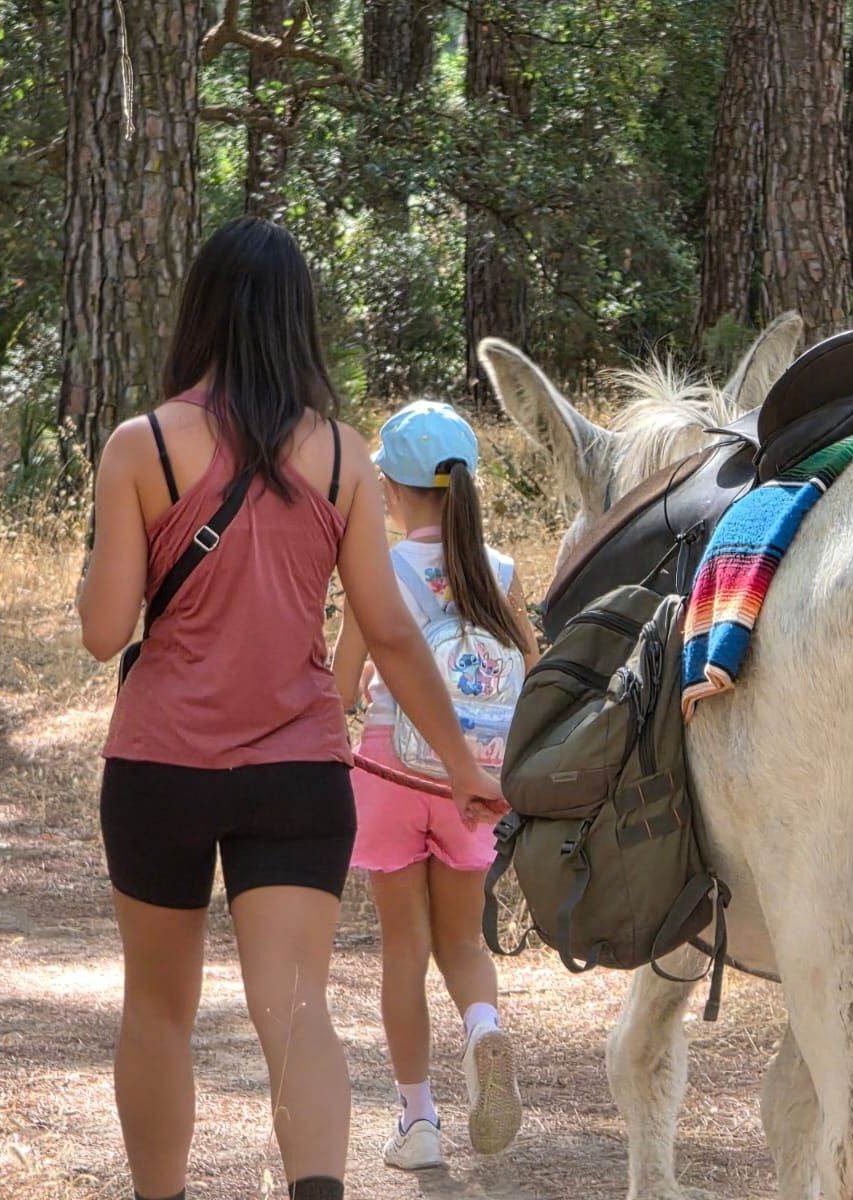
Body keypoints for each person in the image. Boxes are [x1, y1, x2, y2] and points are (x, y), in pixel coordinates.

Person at [77, 217, 504, 1200]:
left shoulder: (141, 447)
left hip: (161, 768)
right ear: (297, 321)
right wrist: (463, 767)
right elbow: (390, 633)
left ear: (202, 312)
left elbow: (104, 632)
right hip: (300, 773)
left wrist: (95, 577)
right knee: (299, 1008)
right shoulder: (347, 459)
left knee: (157, 1010)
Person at [331, 400, 539, 1170]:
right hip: (475, 779)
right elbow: (535, 678)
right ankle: (483, 1028)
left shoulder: (377, 571)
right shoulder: (503, 573)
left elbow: (346, 687)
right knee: (462, 940)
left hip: (391, 769)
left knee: (403, 951)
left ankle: (419, 1123)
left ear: (390, 488)